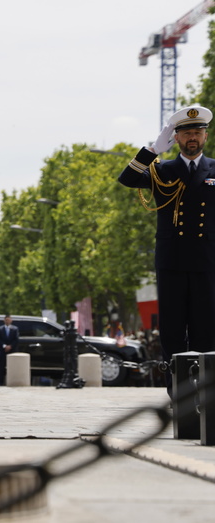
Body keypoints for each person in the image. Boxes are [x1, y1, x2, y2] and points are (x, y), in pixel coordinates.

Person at [118, 105, 215, 395]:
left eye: (197, 133)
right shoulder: (163, 170)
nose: (192, 138)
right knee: (172, 330)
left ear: (205, 136)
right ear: (176, 138)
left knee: (206, 329)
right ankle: (177, 392)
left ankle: (206, 393)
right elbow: (128, 179)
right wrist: (151, 150)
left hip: (208, 261)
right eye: (186, 134)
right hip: (172, 261)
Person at [0, 314, 19, 385]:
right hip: (2, 350)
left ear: (11, 320)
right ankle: (0, 382)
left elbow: (16, 339)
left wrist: (10, 346)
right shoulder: (0, 329)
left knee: (13, 366)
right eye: (6, 320)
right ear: (4, 320)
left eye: (9, 320)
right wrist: (4, 346)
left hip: (12, 350)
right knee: (1, 367)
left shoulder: (15, 329)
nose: (7, 321)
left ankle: (13, 381)